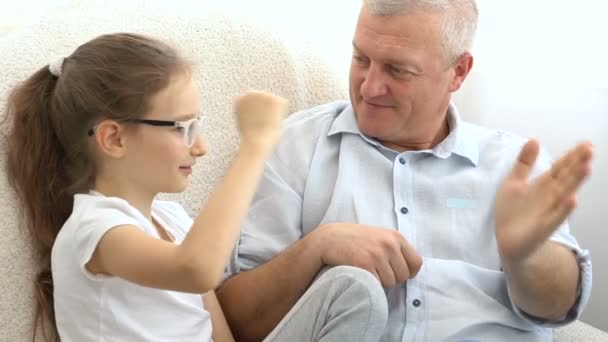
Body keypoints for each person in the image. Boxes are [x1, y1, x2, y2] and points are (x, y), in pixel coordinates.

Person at [217, 1, 594, 341]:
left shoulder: (512, 164)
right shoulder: (294, 144)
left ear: (458, 72)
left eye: (398, 70)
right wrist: (316, 248)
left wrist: (526, 257)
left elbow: (555, 310)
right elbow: (232, 321)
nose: (369, 86)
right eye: (360, 58)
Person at [5, 32, 298, 341]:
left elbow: (216, 329)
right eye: (183, 128)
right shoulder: (94, 230)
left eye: (198, 125)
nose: (201, 147)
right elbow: (197, 270)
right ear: (114, 139)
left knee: (344, 286)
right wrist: (256, 143)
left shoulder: (172, 220)